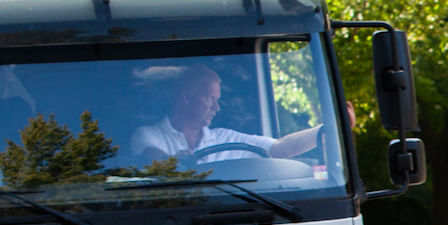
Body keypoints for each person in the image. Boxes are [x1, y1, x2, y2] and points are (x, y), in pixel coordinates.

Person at [128, 65, 328, 164]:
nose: (217, 108)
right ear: (187, 99)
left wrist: (326, 129)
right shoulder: (148, 135)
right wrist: (176, 163)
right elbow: (154, 159)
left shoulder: (226, 138)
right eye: (210, 99)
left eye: (217, 100)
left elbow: (280, 148)